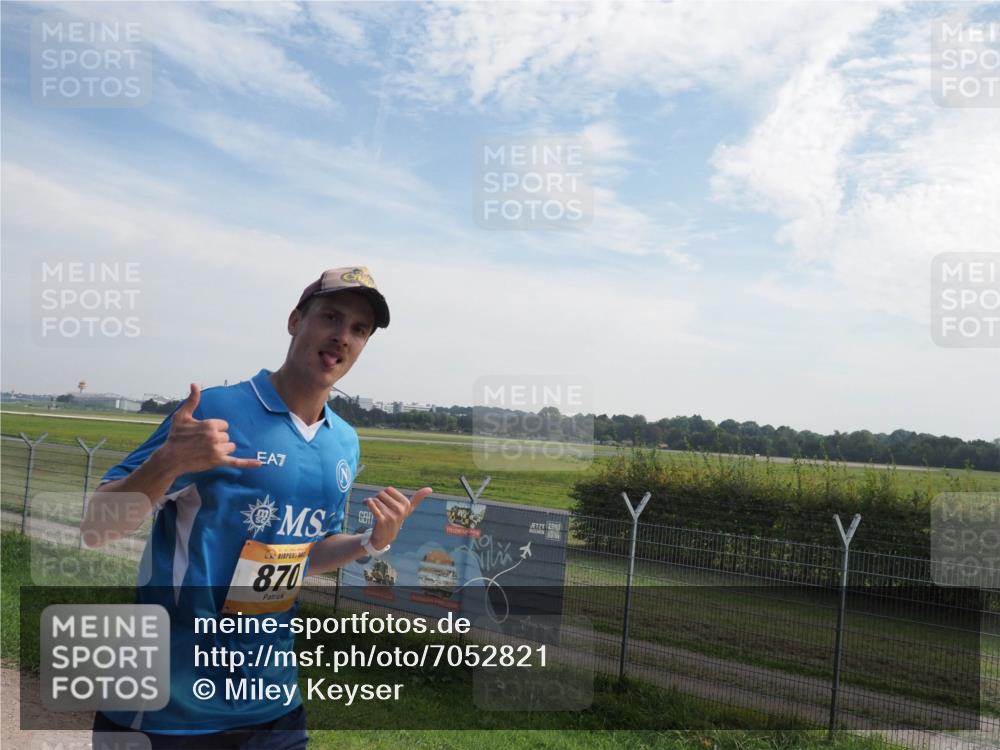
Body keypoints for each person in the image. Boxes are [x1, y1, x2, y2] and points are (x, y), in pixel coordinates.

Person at [81, 266, 431, 749]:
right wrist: (166, 463)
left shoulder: (344, 443)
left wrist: (372, 541)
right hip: (169, 702)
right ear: (294, 321)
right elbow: (95, 528)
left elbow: (306, 552)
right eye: (330, 317)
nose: (342, 337)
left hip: (271, 700)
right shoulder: (215, 411)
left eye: (359, 330)